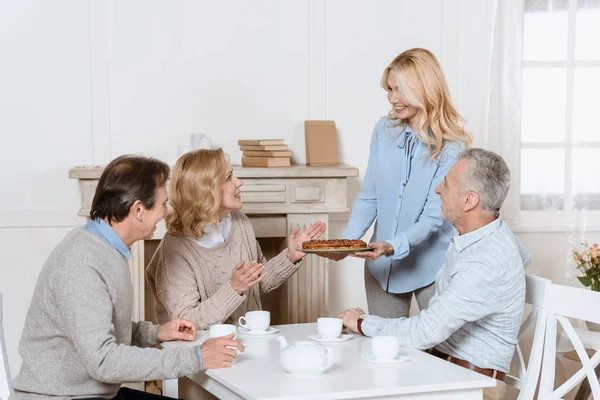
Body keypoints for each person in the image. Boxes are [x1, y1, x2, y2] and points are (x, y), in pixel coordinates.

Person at [10, 155, 243, 400]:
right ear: (139, 210)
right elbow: (104, 360)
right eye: (163, 204)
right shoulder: (81, 262)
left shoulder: (106, 249)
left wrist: (156, 333)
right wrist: (197, 357)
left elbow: (98, 328)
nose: (166, 212)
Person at [339, 148, 530, 400]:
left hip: (471, 385)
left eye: (447, 184)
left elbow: (423, 333)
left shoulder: (484, 262)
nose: (438, 189)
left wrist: (363, 322)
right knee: (361, 376)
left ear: (469, 200)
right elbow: (524, 257)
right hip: (446, 366)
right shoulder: (486, 234)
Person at [326, 48, 472, 318]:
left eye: (400, 90)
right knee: (385, 349)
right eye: (389, 90)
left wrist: (394, 245)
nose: (393, 99)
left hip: (431, 266)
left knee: (440, 353)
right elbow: (370, 195)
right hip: (382, 266)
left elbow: (434, 215)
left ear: (424, 89)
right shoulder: (384, 130)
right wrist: (346, 242)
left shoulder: (452, 146)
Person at [145, 148, 326, 330]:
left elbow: (257, 282)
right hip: (200, 350)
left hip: (247, 337)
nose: (239, 182)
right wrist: (234, 289)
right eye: (229, 177)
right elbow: (185, 323)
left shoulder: (239, 221)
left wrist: (290, 256)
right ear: (207, 190)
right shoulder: (175, 248)